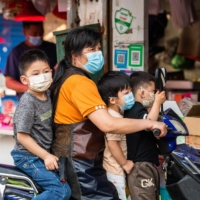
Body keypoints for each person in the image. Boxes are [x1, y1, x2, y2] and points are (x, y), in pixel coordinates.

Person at [50, 27, 167, 200]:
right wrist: (150, 123)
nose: (98, 54)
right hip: (80, 163)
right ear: (75, 55)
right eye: (91, 50)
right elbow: (108, 124)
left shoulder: (67, 78)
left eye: (98, 48)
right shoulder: (79, 82)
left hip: (75, 160)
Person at [10, 49, 71, 200]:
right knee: (61, 191)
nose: (42, 77)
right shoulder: (28, 103)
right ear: (24, 80)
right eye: (36, 74)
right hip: (27, 157)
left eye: (45, 72)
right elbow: (22, 137)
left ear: (51, 72)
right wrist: (46, 156)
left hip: (40, 154)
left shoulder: (49, 95)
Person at [124, 71, 166, 200]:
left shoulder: (136, 109)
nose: (154, 95)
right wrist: (157, 103)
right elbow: (148, 124)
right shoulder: (136, 109)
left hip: (145, 164)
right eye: (153, 91)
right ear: (142, 93)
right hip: (141, 166)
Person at [97, 71, 134, 200]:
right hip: (115, 171)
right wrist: (124, 164)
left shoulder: (117, 114)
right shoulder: (113, 118)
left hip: (117, 170)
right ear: (112, 100)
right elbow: (112, 144)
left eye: (130, 91)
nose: (131, 95)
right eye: (126, 93)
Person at [4, 21, 57, 100]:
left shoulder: (53, 48)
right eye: (34, 34)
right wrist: (33, 90)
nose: (38, 36)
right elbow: (9, 82)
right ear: (25, 32)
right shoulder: (16, 53)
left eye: (41, 33)